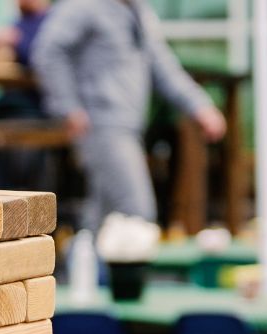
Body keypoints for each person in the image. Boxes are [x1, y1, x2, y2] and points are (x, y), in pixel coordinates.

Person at [32, 0, 226, 226]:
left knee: (105, 215)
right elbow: (48, 51)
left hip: (129, 124)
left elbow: (163, 67)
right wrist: (68, 106)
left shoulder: (139, 12)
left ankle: (84, 257)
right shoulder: (82, 6)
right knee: (136, 212)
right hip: (101, 123)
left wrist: (199, 105)